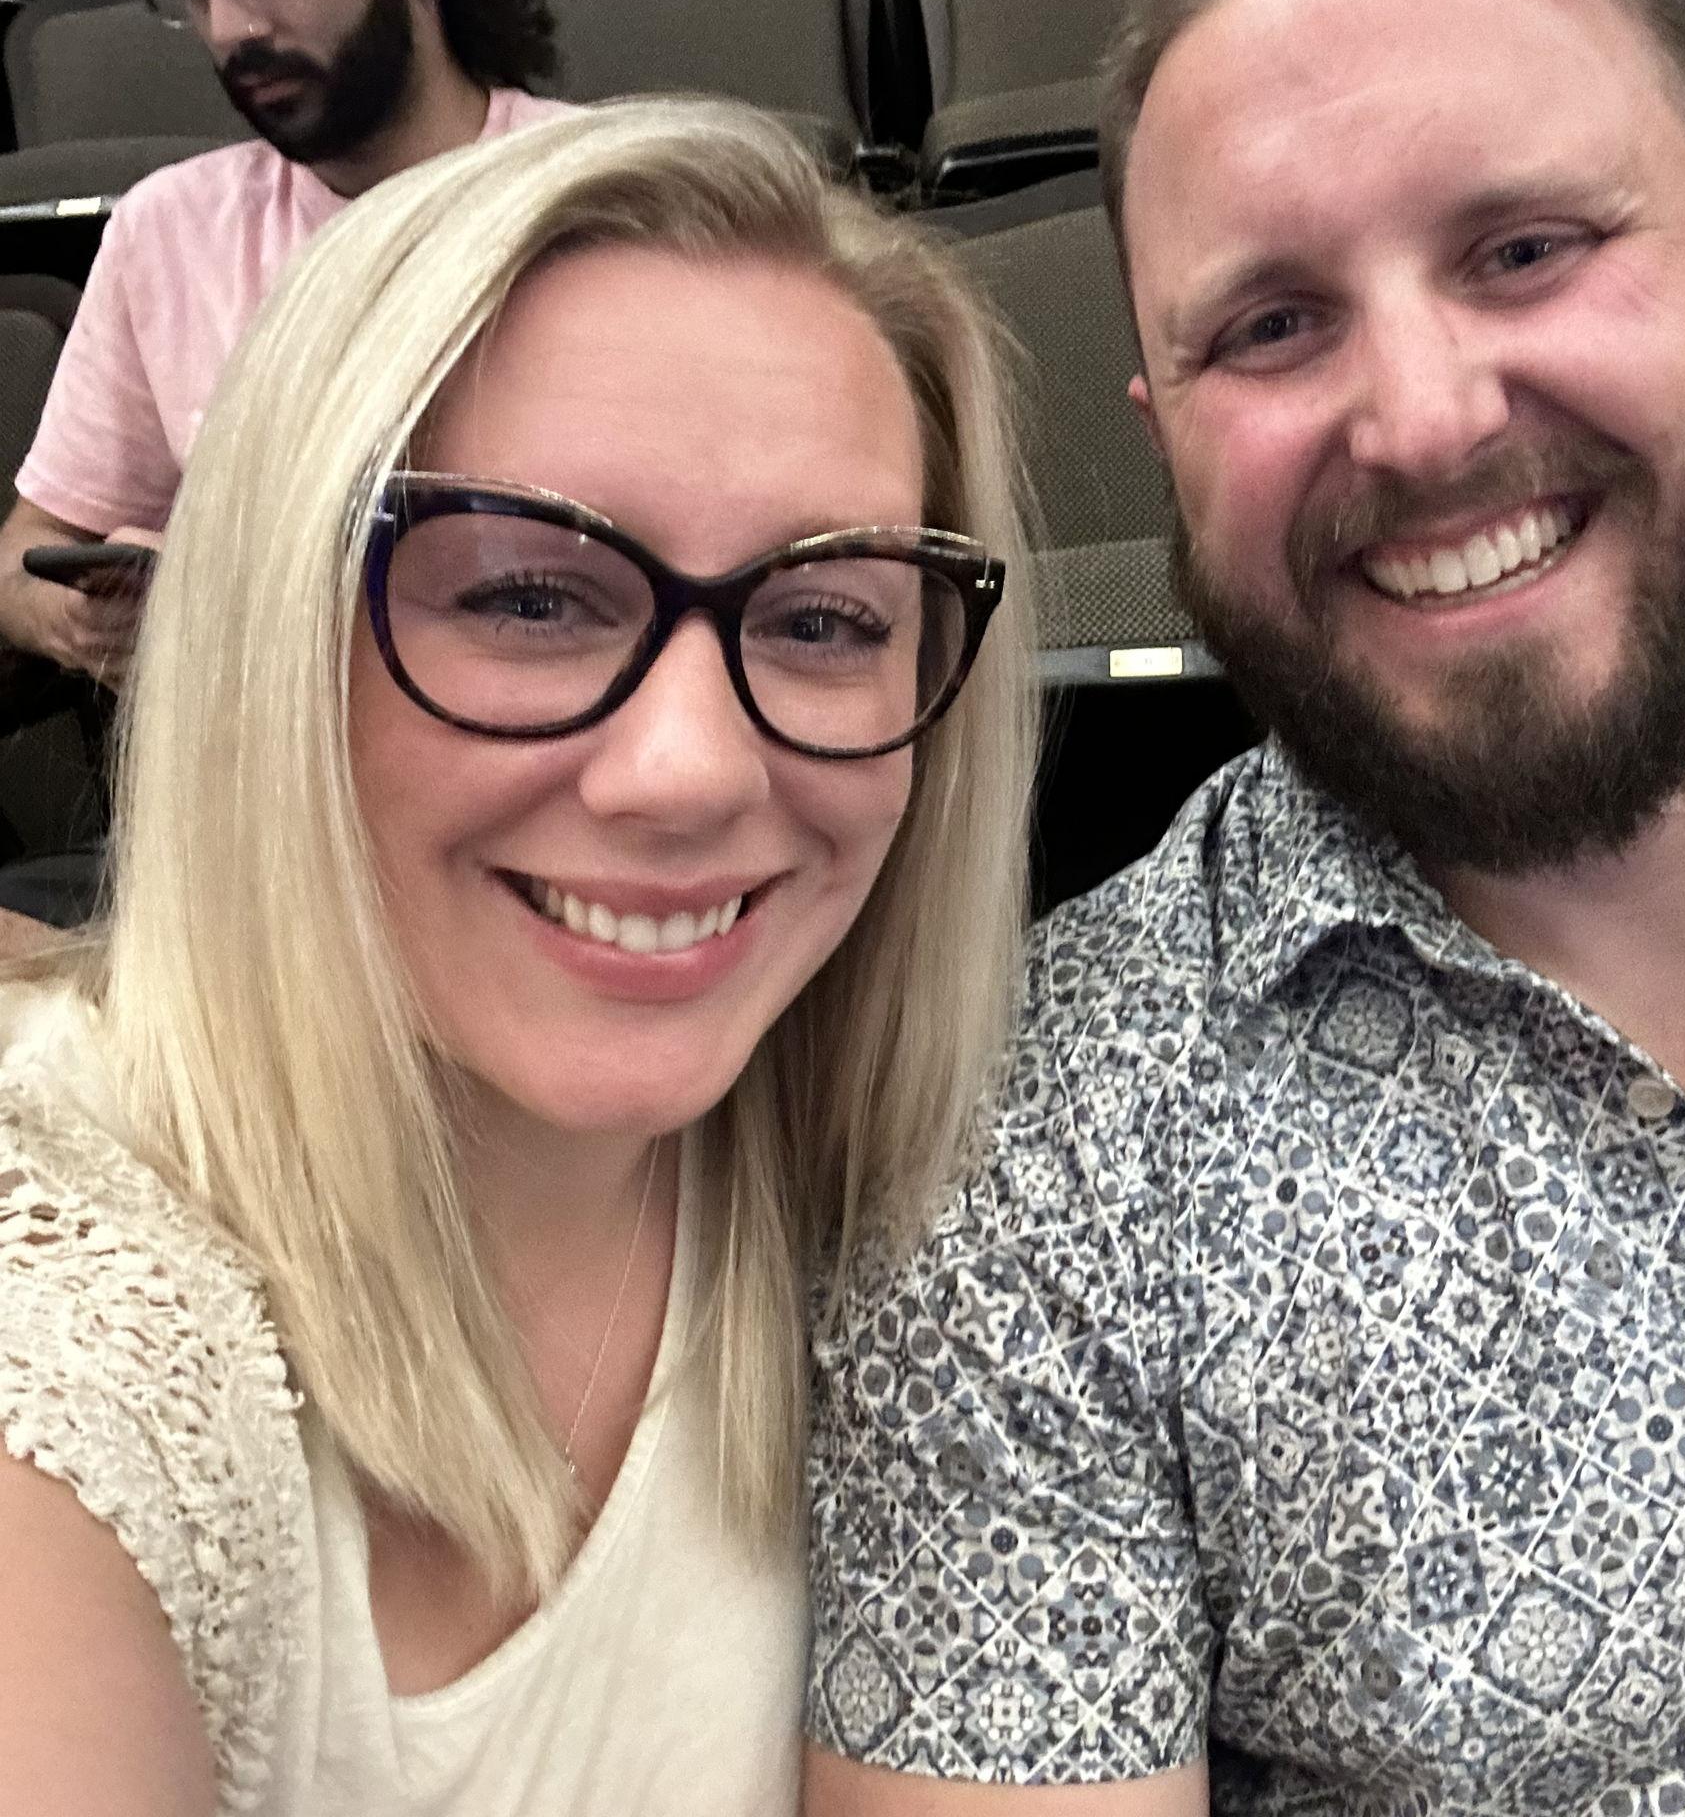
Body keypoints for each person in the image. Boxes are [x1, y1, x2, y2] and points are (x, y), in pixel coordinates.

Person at [801, 0, 1685, 1809]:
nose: (1421, 416)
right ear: (1164, 433)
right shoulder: (1024, 1181)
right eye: (1274, 322)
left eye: (1524, 248)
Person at [0, 94, 1036, 1813]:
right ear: (272, 631)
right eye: (527, 597)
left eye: (822, 618)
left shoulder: (925, 1212)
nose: (691, 771)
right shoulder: (70, 1330)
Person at [0, 0, 564, 690]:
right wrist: (72, 618)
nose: (230, 26)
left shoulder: (603, 202)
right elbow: (25, 551)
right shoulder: (166, 234)